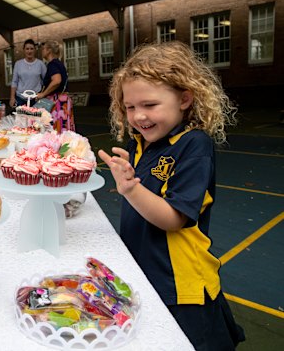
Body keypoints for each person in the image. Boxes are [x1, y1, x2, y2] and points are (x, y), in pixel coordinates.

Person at [97, 41, 244, 350]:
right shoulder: (140, 143)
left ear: (184, 99)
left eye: (150, 105)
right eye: (131, 107)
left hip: (182, 285)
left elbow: (173, 218)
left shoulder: (194, 146)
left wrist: (130, 188)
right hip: (147, 271)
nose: (138, 116)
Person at [35, 40, 74, 133]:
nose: (42, 51)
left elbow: (57, 80)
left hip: (57, 103)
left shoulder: (52, 64)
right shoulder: (59, 64)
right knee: (64, 130)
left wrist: (43, 94)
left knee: (56, 130)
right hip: (63, 101)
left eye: (43, 48)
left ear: (49, 50)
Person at [10, 39, 46, 107]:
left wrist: (42, 93)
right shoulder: (18, 64)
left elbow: (46, 81)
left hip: (35, 99)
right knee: (21, 117)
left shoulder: (40, 64)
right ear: (24, 50)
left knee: (35, 117)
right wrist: (12, 97)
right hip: (20, 98)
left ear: (35, 50)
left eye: (31, 49)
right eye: (27, 49)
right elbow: (14, 82)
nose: (29, 51)